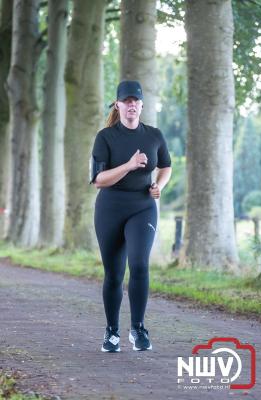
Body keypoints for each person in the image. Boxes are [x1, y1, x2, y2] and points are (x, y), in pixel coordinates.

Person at [89, 80, 172, 352]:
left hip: (142, 206)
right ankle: (111, 332)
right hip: (110, 208)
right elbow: (98, 179)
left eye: (135, 101)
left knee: (139, 265)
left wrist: (159, 185)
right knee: (114, 273)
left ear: (142, 105)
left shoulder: (154, 136)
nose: (131, 105)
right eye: (126, 101)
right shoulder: (105, 137)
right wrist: (129, 165)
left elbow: (166, 166)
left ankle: (138, 329)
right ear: (118, 105)